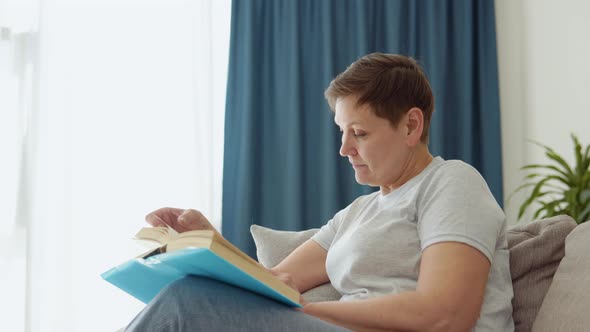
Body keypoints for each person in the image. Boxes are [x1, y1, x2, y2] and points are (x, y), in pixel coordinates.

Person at [126, 53, 515, 332]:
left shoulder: (450, 182)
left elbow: (444, 314)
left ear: (411, 126)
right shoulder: (358, 212)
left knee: (186, 302)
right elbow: (275, 281)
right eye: (342, 132)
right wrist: (207, 240)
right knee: (188, 291)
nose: (344, 149)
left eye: (359, 133)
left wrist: (310, 312)